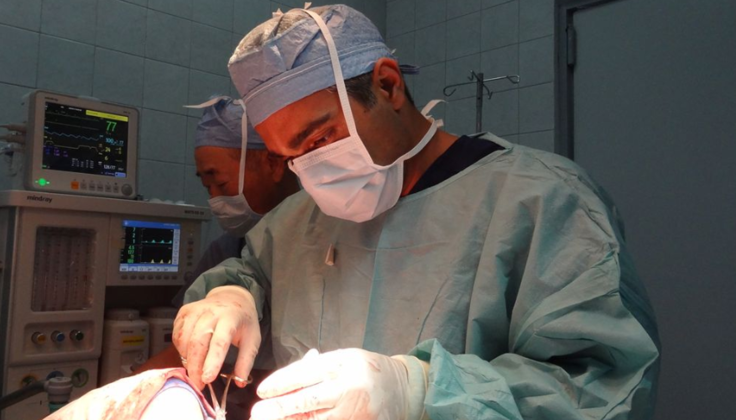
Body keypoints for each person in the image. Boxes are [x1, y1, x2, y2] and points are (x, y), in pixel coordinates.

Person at [174, 5, 661, 420]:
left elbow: (599, 387)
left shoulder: (544, 201)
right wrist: (231, 295)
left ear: (388, 86)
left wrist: (418, 390)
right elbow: (252, 272)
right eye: (290, 157)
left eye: (319, 139)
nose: (310, 171)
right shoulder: (295, 221)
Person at [137, 97, 300, 416]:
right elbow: (185, 349)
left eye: (220, 182)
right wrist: (126, 395)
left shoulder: (321, 241)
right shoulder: (226, 251)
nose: (214, 198)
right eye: (207, 185)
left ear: (273, 163)